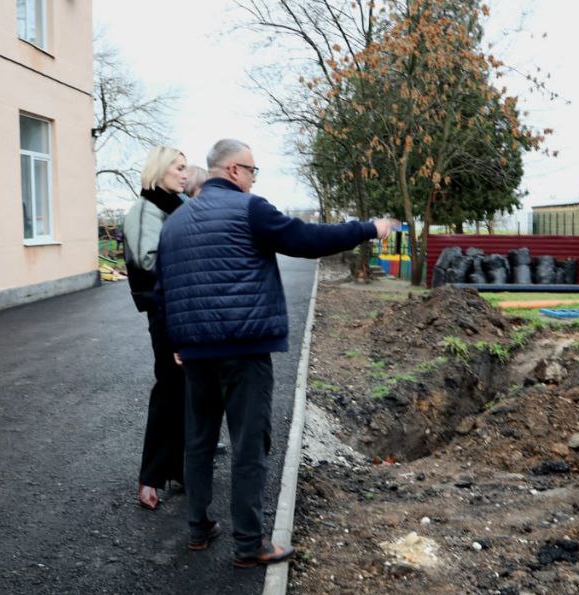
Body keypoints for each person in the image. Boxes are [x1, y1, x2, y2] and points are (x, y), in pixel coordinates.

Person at [157, 139, 392, 567]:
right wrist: (366, 228)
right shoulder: (250, 210)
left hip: (195, 354)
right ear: (232, 170)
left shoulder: (175, 222)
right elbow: (305, 239)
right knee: (249, 445)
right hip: (244, 350)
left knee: (199, 440)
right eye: (251, 170)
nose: (252, 179)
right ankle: (249, 544)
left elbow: (164, 289)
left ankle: (198, 527)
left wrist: (177, 342)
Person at [123, 145, 189, 510]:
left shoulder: (175, 207)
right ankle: (149, 477)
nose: (184, 173)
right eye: (178, 167)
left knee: (185, 390)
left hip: (184, 310)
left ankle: (179, 467)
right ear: (160, 170)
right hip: (164, 313)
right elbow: (146, 264)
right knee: (168, 389)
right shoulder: (145, 210)